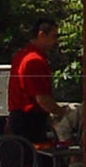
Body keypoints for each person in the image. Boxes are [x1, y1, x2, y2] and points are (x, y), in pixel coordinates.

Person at [5, 17, 62, 146]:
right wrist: (63, 113)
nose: (56, 41)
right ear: (42, 35)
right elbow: (42, 99)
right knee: (37, 162)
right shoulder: (35, 61)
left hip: (17, 118)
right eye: (54, 36)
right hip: (30, 121)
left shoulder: (20, 56)